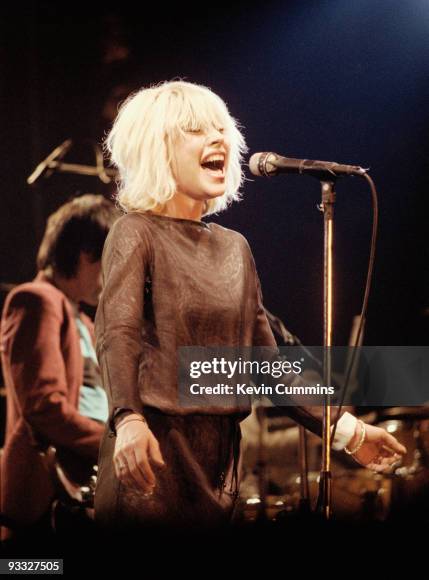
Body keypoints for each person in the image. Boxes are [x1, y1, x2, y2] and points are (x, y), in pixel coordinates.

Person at [94, 80, 406, 531]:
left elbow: (269, 365)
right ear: (155, 148)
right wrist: (127, 419)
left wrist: (349, 431)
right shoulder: (135, 233)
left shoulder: (234, 248)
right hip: (152, 461)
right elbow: (117, 330)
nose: (218, 139)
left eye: (222, 129)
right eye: (196, 130)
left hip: (219, 468)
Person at [0, 194, 118, 539]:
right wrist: (113, 444)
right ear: (85, 255)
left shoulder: (82, 318)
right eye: (106, 264)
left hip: (79, 484)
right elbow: (43, 405)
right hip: (44, 496)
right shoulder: (36, 299)